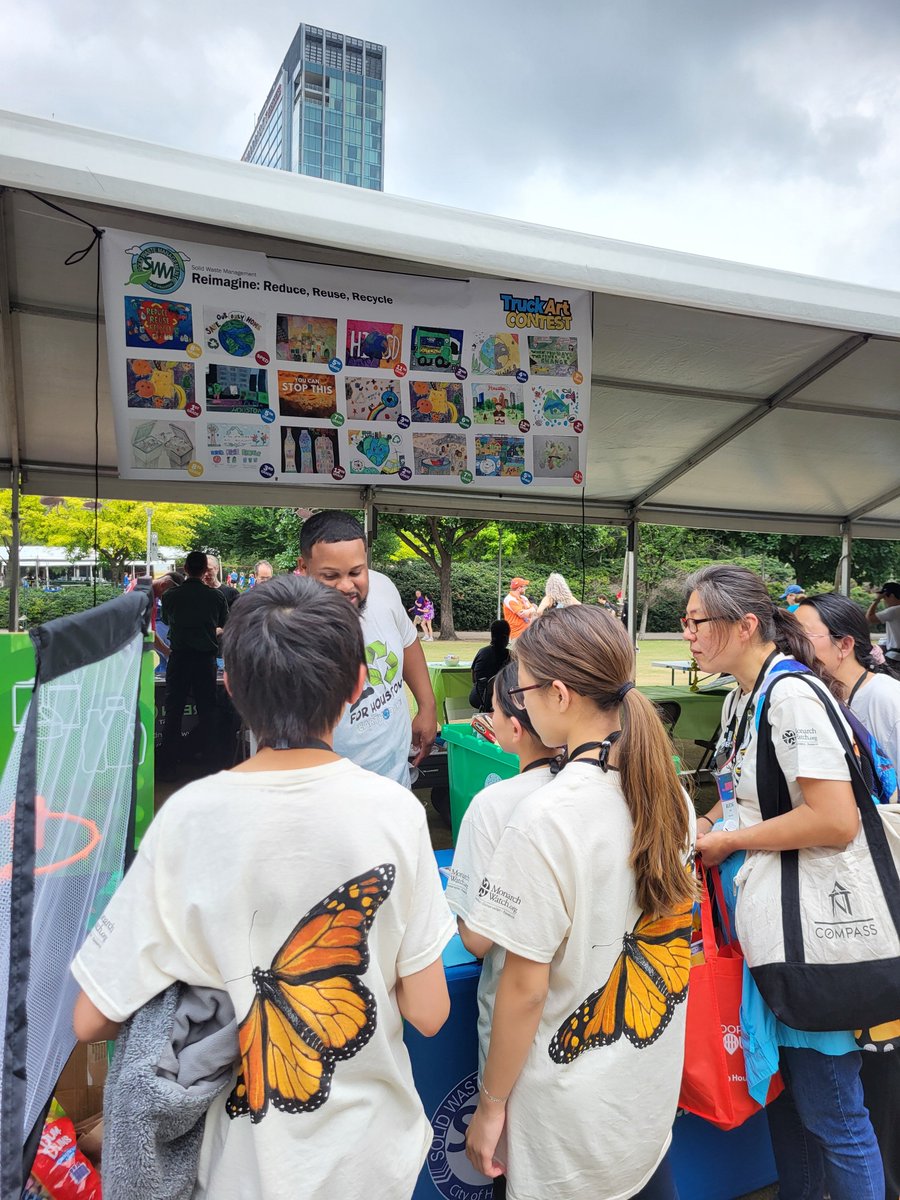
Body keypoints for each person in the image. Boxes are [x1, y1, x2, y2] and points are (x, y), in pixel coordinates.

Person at [71, 575, 454, 1200]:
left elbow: (91, 1017)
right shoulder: (396, 813)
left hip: (235, 1171)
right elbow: (430, 1012)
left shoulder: (188, 819)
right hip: (369, 1161)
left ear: (230, 685)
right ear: (357, 686)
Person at [464, 606, 695, 1199]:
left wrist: (490, 1108)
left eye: (525, 685)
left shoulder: (545, 819)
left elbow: (525, 989)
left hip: (567, 1120)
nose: (520, 700)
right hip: (642, 1095)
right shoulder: (670, 797)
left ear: (560, 694)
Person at [683, 563, 884, 1200]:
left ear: (744, 626)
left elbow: (834, 818)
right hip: (772, 922)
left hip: (815, 930)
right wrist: (701, 828)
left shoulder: (791, 695)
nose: (686, 635)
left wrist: (729, 840)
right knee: (791, 1102)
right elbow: (744, 797)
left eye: (696, 622)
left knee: (833, 1112)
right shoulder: (747, 695)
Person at [796, 591, 900, 1200]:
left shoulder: (882, 697)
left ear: (844, 645)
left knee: (885, 1063)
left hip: (883, 887)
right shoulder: (829, 699)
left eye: (806, 636)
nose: (796, 647)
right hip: (862, 890)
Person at [447, 660, 562, 1199]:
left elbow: (477, 937)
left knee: (517, 1173)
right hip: (605, 1045)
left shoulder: (497, 806)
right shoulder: (631, 785)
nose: (485, 720)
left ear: (516, 725)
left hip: (524, 1052)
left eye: (491, 711)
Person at [298, 511, 438, 787]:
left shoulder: (383, 587)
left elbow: (408, 640)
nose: (347, 586)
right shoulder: (288, 627)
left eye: (355, 572)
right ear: (303, 568)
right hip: (327, 788)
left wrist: (427, 705)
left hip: (394, 779)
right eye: (330, 575)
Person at [158, 552, 228, 780]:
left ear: (186, 568)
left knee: (173, 712)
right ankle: (210, 765)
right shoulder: (216, 597)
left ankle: (168, 767)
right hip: (205, 660)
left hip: (179, 659)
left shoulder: (171, 596)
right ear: (203, 570)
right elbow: (222, 623)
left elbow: (167, 621)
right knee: (208, 712)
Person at [469, 620, 511, 711]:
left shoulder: (482, 652)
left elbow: (473, 676)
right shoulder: (511, 656)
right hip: (501, 698)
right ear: (506, 637)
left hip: (478, 696)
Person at [867, 581, 900, 670]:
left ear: (892, 596)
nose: (884, 601)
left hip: (895, 658)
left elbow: (869, 618)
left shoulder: (894, 611)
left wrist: (876, 600)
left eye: (884, 598)